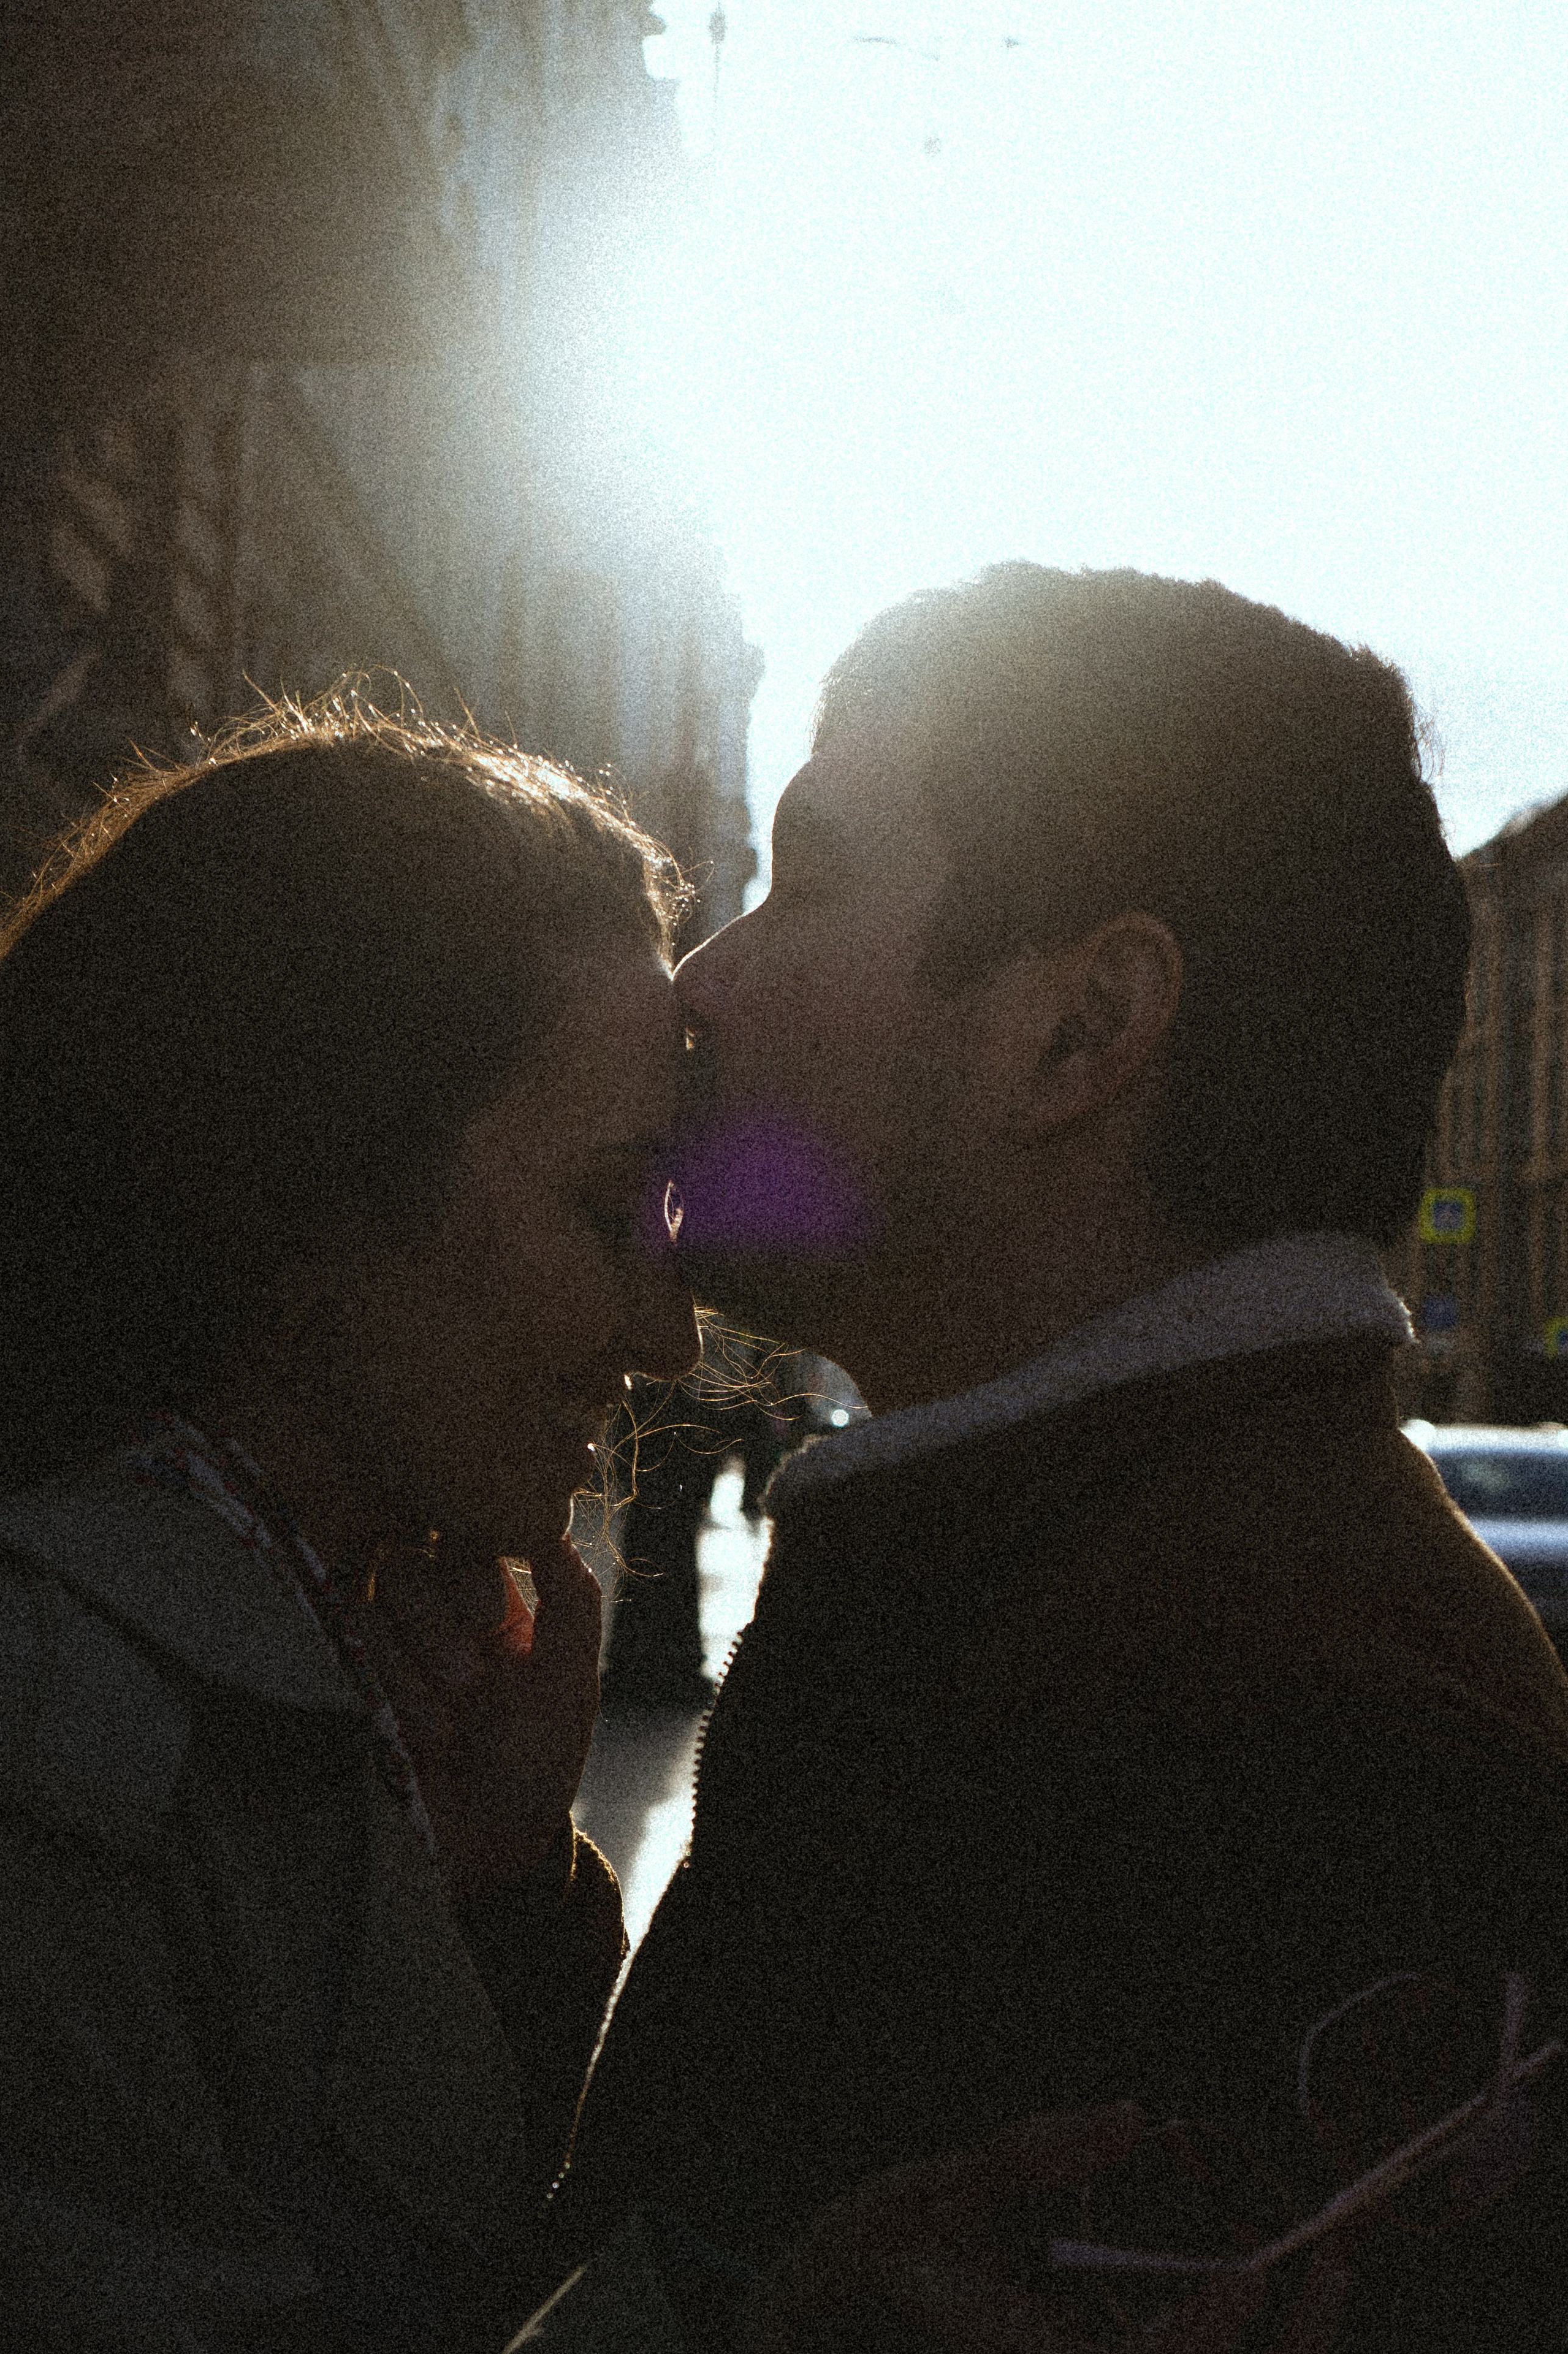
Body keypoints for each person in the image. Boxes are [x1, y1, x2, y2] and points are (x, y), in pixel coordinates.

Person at [0, 688, 1304, 2354]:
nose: (663, 1335)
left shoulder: (304, 1678)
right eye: (610, 1209)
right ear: (315, 1191)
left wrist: (500, 1903)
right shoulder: (55, 1750)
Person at [553, 566, 1568, 2349]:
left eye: (816, 873)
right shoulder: (1132, 1591)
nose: (710, 973)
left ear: (1082, 1032)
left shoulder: (1289, 1736)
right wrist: (507, 1898)